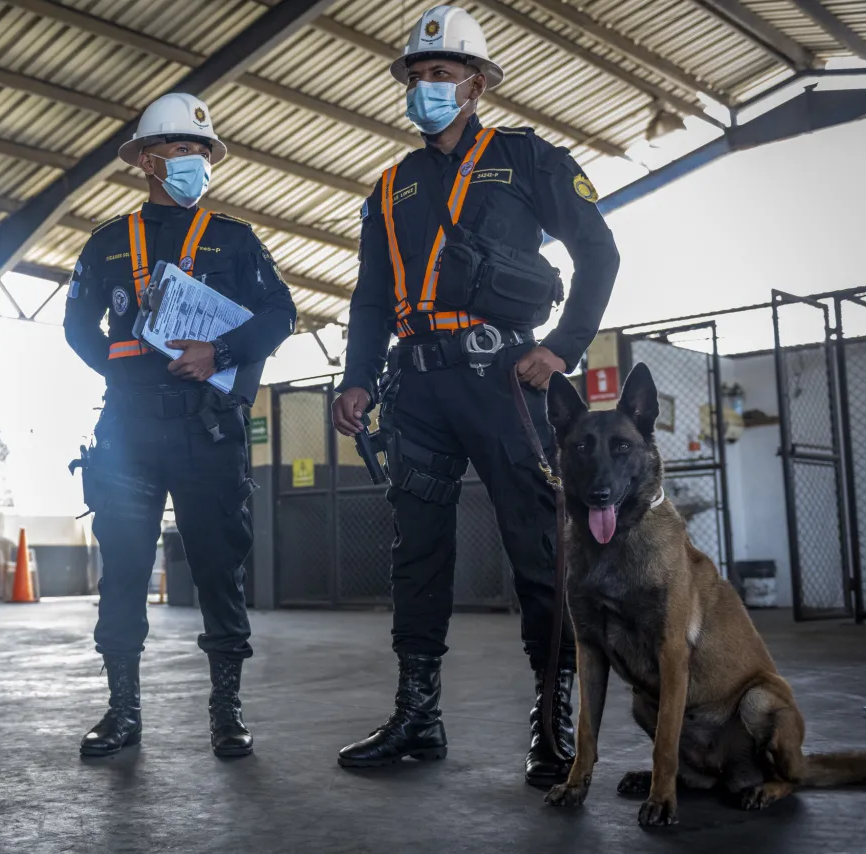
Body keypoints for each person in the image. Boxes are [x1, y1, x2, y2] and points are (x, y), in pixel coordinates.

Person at [330, 5, 620, 787]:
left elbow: (598, 249)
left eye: (442, 75)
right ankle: (418, 717)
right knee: (416, 553)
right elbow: (367, 298)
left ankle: (555, 722)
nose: (426, 87)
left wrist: (562, 347)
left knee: (536, 547)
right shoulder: (389, 187)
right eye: (416, 76)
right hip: (416, 386)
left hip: (506, 382)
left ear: (479, 83)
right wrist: (358, 377)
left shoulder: (528, 159)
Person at [64, 92, 297, 759]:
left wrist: (218, 354)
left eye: (201, 150)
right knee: (126, 571)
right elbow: (78, 328)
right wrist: (128, 370)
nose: (193, 160)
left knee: (220, 571)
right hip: (129, 432)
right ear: (145, 160)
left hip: (209, 430)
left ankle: (227, 712)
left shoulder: (235, 240)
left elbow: (280, 316)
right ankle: (122, 712)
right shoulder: (108, 244)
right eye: (178, 149)